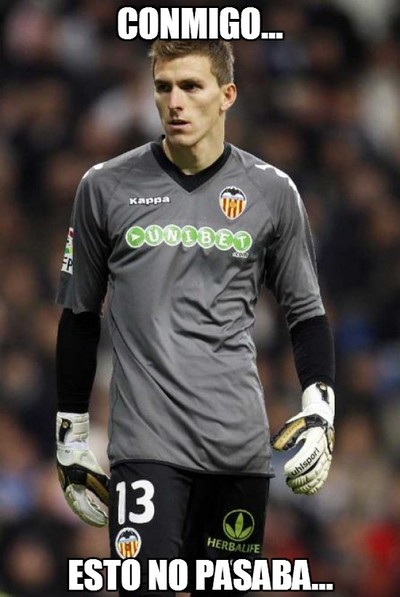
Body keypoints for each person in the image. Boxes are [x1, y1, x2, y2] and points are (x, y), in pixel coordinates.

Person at [55, 40, 335, 596]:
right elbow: (80, 315)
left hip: (239, 449)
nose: (175, 101)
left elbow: (306, 313)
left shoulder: (272, 192)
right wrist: (71, 433)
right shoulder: (104, 187)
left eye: (191, 86)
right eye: (163, 87)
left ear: (227, 94)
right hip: (145, 446)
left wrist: (320, 410)